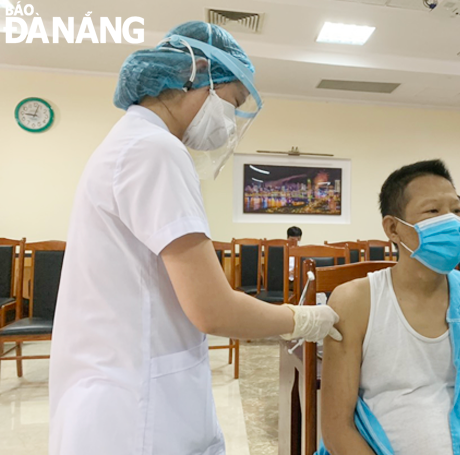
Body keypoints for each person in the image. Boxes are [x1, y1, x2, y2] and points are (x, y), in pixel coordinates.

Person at [48, 21, 341, 455]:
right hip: (137, 414)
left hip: (123, 394)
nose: (230, 121)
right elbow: (213, 309)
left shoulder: (130, 143)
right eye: (233, 102)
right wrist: (304, 320)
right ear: (197, 76)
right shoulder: (155, 150)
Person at [320, 160, 460, 455]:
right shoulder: (355, 301)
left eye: (457, 211)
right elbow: (337, 429)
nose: (453, 222)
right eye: (433, 211)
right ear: (394, 228)